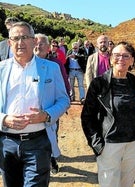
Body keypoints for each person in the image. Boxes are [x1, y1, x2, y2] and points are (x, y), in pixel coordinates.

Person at [0, 21, 70, 186]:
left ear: (34, 41)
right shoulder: (1, 69)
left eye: (25, 37)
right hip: (6, 144)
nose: (20, 42)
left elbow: (64, 100)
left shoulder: (51, 68)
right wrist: (3, 119)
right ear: (9, 43)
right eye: (15, 38)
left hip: (38, 142)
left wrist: (46, 115)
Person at [81, 41, 135, 187]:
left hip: (133, 143)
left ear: (132, 60)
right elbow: (87, 116)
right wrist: (97, 143)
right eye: (117, 55)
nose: (121, 59)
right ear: (111, 58)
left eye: (126, 56)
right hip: (109, 144)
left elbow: (133, 115)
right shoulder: (99, 84)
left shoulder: (133, 83)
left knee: (127, 183)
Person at [34, 33, 71, 174]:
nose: (38, 46)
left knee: (52, 134)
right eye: (36, 43)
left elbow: (64, 83)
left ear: (49, 47)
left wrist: (64, 102)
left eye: (42, 43)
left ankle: (51, 158)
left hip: (52, 108)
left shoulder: (56, 64)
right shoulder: (24, 65)